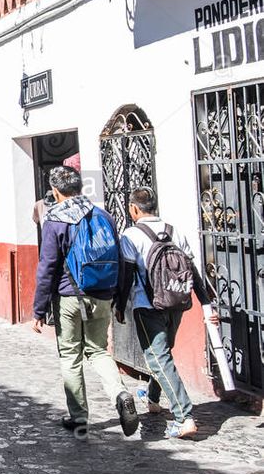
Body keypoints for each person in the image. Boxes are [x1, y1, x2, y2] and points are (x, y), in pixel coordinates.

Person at [31, 165, 137, 437]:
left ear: (56, 191)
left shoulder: (55, 220)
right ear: (80, 188)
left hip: (69, 296)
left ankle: (79, 418)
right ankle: (121, 394)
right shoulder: (103, 215)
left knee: (70, 355)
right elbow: (121, 259)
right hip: (102, 294)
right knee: (98, 351)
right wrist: (119, 298)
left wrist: (39, 309)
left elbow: (48, 267)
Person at [116, 187, 217, 440]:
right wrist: (205, 303)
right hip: (176, 301)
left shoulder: (131, 235)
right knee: (163, 355)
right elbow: (192, 271)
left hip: (147, 304)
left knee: (158, 359)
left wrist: (119, 306)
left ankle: (184, 416)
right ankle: (152, 398)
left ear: (134, 208)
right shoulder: (174, 231)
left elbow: (127, 276)